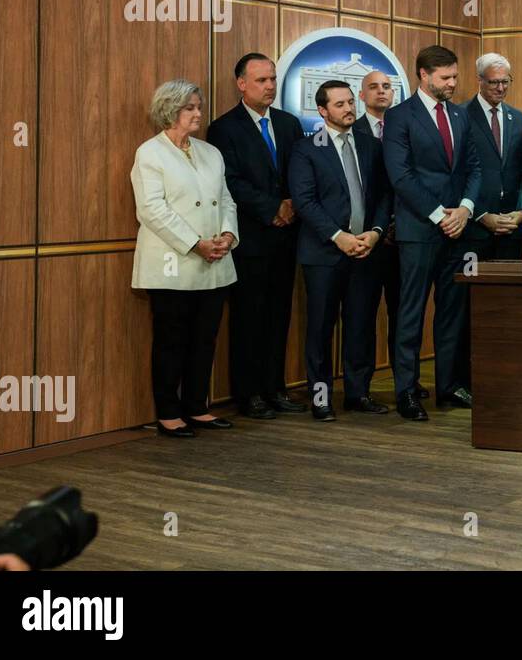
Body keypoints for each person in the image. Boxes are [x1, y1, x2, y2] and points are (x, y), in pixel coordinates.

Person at [131, 80, 239, 438]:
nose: (197, 113)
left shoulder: (212, 153)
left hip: (214, 263)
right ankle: (168, 412)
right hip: (172, 264)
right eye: (189, 108)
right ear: (169, 111)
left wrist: (227, 235)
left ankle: (197, 406)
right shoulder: (150, 153)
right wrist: (195, 244)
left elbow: (226, 201)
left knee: (204, 339)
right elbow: (151, 210)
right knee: (171, 340)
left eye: (198, 106)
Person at [382, 45, 482, 421]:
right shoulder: (399, 117)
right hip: (419, 230)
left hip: (458, 230)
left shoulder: (459, 115)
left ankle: (449, 386)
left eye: (455, 76)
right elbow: (401, 177)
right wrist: (441, 215)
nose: (453, 84)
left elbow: (474, 166)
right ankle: (407, 391)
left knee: (452, 312)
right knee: (410, 313)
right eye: (445, 78)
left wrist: (467, 209)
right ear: (423, 75)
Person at [207, 53, 305, 420]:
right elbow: (229, 181)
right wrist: (271, 208)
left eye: (272, 80)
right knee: (249, 319)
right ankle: (248, 395)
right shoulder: (224, 128)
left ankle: (274, 388)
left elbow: (300, 170)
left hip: (286, 238)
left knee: (279, 317)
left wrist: (292, 203)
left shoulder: (289, 123)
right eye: (261, 80)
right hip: (250, 239)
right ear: (241, 83)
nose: (269, 87)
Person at [289, 80, 392, 421]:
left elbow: (383, 196)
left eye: (350, 102)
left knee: (361, 325)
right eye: (339, 104)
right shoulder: (307, 149)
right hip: (325, 254)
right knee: (320, 328)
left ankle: (358, 394)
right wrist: (339, 236)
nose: (349, 109)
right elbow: (305, 202)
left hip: (366, 250)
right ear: (322, 110)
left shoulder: (370, 145)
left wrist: (375, 233)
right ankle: (321, 398)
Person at [355, 70, 427, 402]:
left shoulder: (408, 128)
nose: (382, 92)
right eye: (374, 87)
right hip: (367, 239)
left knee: (404, 313)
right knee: (363, 314)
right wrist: (376, 229)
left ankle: (407, 383)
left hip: (407, 235)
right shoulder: (351, 133)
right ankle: (360, 389)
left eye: (387, 86)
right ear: (361, 95)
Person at [465, 53, 522, 260]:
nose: (501, 88)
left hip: (512, 227)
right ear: (480, 80)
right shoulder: (460, 116)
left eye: (505, 81)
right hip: (474, 229)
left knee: (509, 291)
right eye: (494, 82)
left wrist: (521, 210)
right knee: (472, 290)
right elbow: (457, 174)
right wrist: (482, 215)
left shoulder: (519, 119)